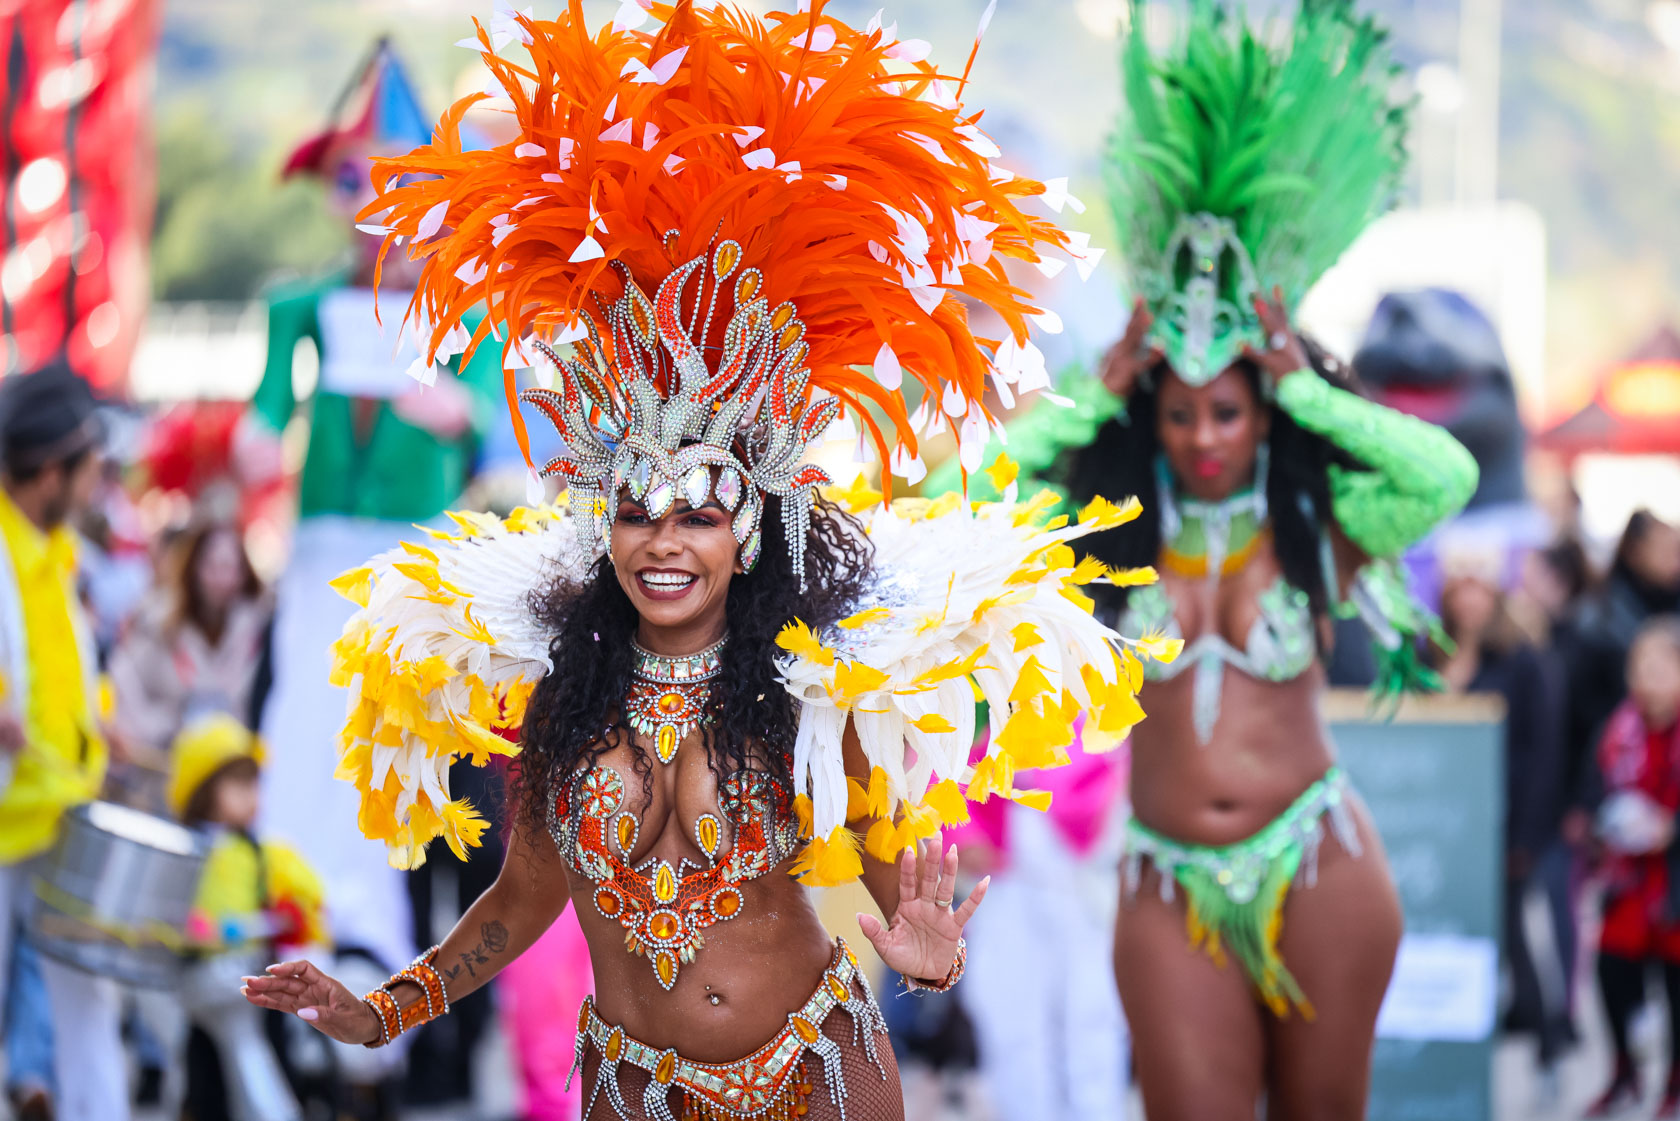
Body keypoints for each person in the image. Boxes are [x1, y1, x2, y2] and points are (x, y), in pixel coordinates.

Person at [242, 4, 1157, 1118]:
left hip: (818, 1074)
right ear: (604, 528)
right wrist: (376, 1009)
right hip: (637, 1090)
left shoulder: (814, 689)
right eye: (638, 512)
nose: (665, 541)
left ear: (749, 531)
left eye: (701, 513)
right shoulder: (565, 704)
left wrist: (933, 955)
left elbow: (900, 887)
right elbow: (514, 906)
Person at [1044, 3, 1475, 1116]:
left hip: (1319, 853)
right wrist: (1094, 389)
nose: (1204, 435)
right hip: (1163, 869)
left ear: (1260, 409)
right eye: (1179, 413)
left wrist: (1308, 387)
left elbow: (1445, 477)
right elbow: (962, 493)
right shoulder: (1105, 529)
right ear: (1152, 414)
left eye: (1229, 409)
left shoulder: (1314, 525)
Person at [245, 39, 505, 992]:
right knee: (302, 734)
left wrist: (458, 414)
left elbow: (500, 442)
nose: (379, 213)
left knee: (407, 772)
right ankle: (290, 933)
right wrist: (251, 438)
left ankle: (394, 989)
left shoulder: (472, 314)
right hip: (320, 560)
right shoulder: (304, 308)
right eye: (358, 182)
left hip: (417, 568)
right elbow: (269, 406)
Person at [0, 361, 126, 1121]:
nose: (97, 485)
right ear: (50, 471)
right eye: (90, 468)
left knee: (89, 1011)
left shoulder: (57, 548)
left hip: (63, 812)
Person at [1433, 554, 1573, 1069]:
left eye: (1478, 589)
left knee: (1514, 929)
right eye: (1460, 589)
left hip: (1506, 816)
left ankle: (1548, 1036)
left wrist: (1528, 834)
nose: (1469, 600)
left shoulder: (1522, 659)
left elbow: (1543, 750)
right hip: (1446, 818)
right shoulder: (1433, 653)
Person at [168, 713, 329, 1121]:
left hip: (252, 977)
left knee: (255, 1056)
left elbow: (308, 892)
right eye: (238, 784)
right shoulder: (184, 851)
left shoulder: (264, 852)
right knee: (207, 1067)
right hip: (200, 977)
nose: (252, 795)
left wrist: (297, 914)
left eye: (254, 783)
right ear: (204, 792)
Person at [1584, 618, 1680, 1117]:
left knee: (1675, 984)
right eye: (1642, 665)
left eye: (1663, 666)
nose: (1650, 676)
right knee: (1611, 972)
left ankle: (1673, 1082)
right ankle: (1624, 1071)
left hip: (1672, 882)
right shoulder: (1621, 727)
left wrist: (1671, 829)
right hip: (1629, 880)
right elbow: (1597, 783)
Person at [109, 521, 270, 798]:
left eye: (231, 568)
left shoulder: (256, 636)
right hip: (153, 776)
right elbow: (123, 683)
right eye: (213, 567)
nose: (223, 579)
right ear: (194, 567)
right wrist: (165, 727)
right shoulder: (157, 623)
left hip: (217, 789)